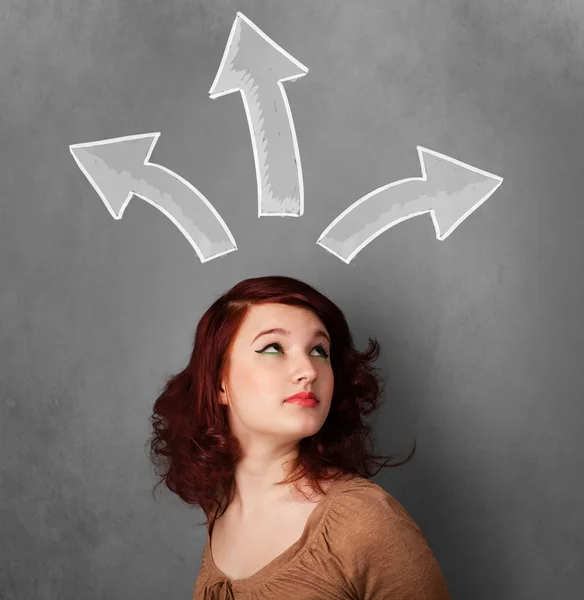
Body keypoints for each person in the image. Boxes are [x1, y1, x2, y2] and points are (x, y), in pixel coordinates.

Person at [148, 275, 452, 599]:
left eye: (319, 350)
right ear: (219, 383)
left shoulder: (366, 521)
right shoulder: (220, 509)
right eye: (274, 347)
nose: (308, 369)